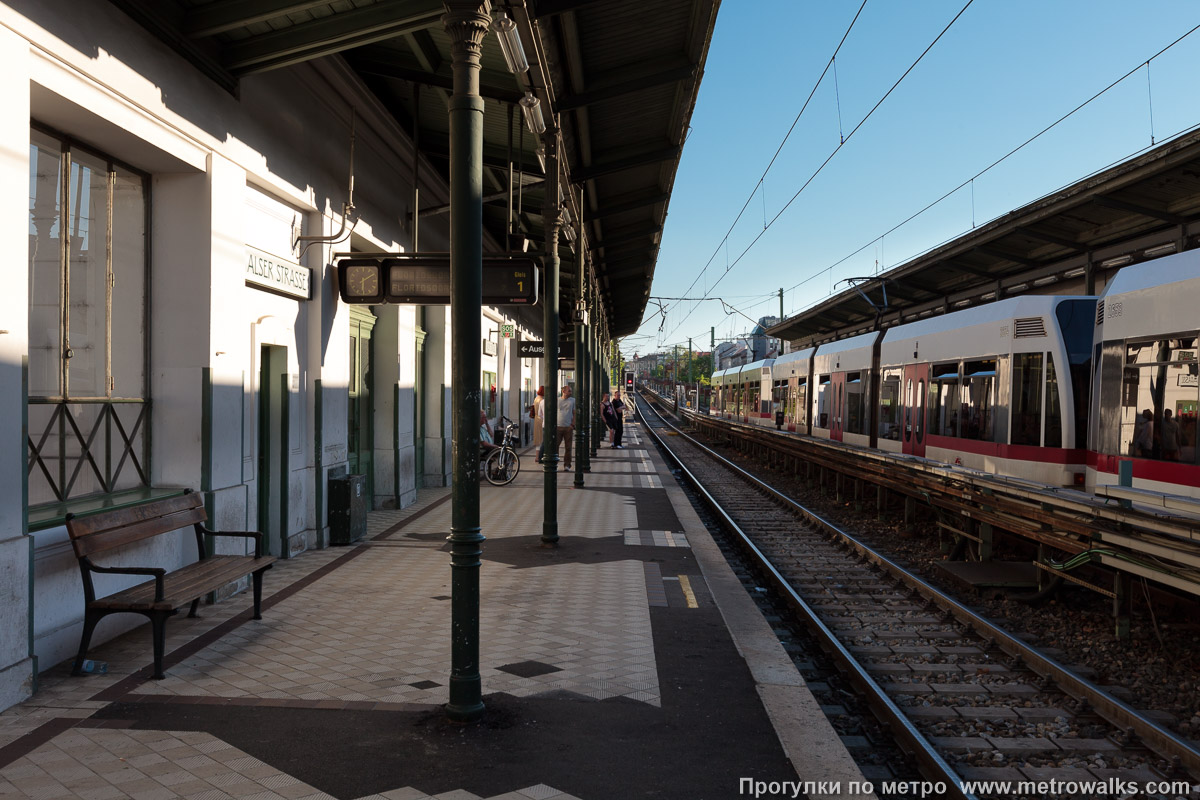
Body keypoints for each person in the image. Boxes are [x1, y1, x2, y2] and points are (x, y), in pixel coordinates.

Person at [557, 385, 575, 470]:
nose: (571, 392)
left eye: (571, 391)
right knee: (555, 446)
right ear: (563, 391)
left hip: (568, 427)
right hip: (558, 426)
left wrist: (572, 424)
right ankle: (555, 463)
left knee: (568, 447)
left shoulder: (572, 401)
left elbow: (574, 413)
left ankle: (567, 465)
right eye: (569, 391)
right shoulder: (557, 400)